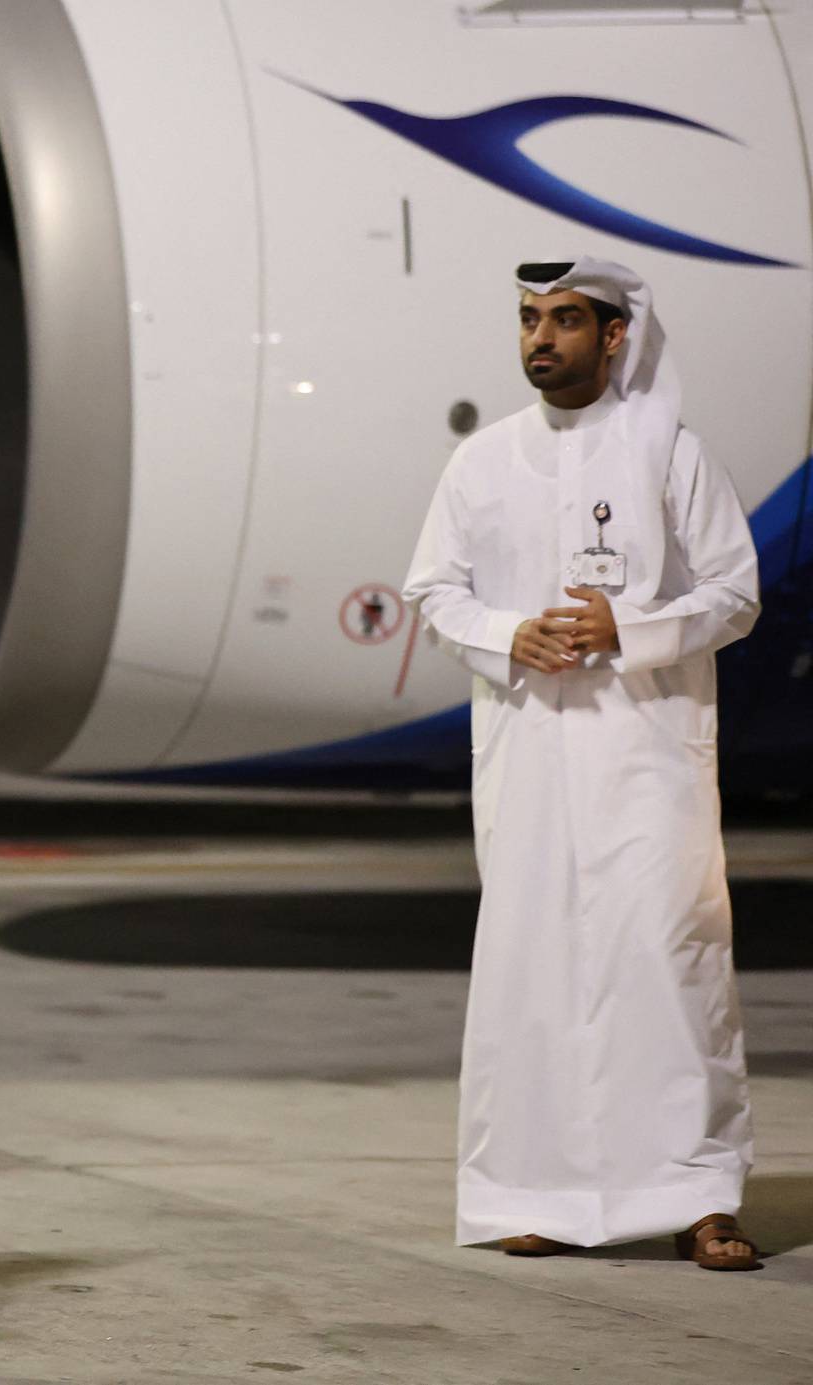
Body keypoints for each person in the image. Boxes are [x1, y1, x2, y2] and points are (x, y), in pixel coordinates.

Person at [403, 258, 763, 1270]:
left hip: (645, 751)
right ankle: (537, 1191)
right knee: (535, 964)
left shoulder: (672, 454)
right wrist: (510, 633)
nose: (540, 338)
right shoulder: (483, 460)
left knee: (669, 956)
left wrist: (631, 624)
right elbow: (434, 589)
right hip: (528, 755)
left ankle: (702, 1197)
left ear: (617, 337)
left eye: (566, 318)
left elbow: (736, 594)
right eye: (529, 318)